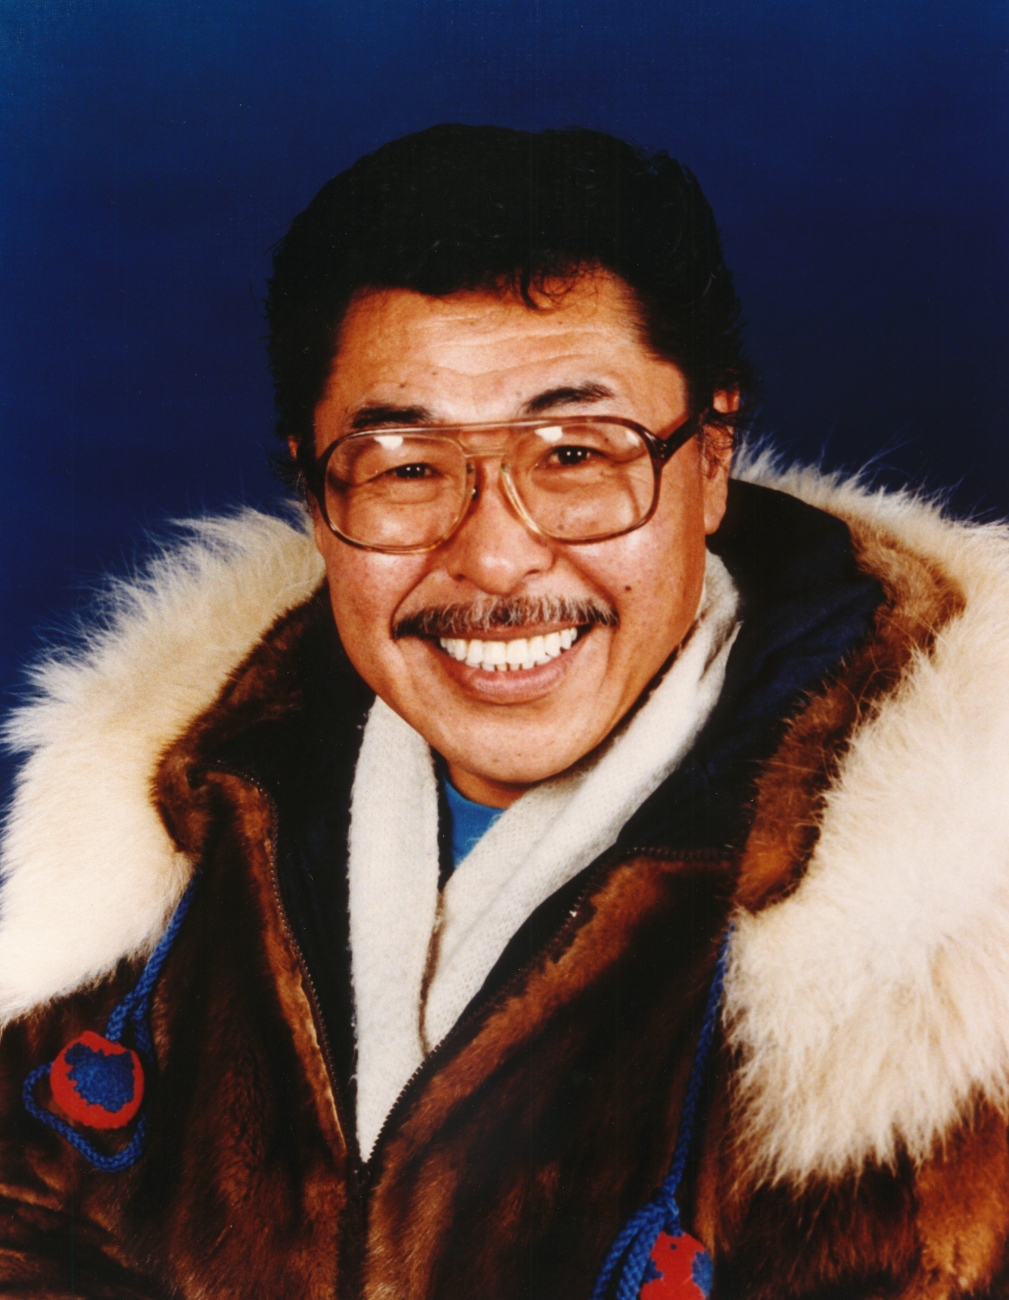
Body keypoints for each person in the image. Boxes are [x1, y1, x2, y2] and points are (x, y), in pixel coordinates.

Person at [1, 124, 1008, 1300]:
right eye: (406, 466)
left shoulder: (947, 960)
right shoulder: (184, 799)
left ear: (710, 458)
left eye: (576, 453)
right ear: (315, 493)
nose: (493, 558)